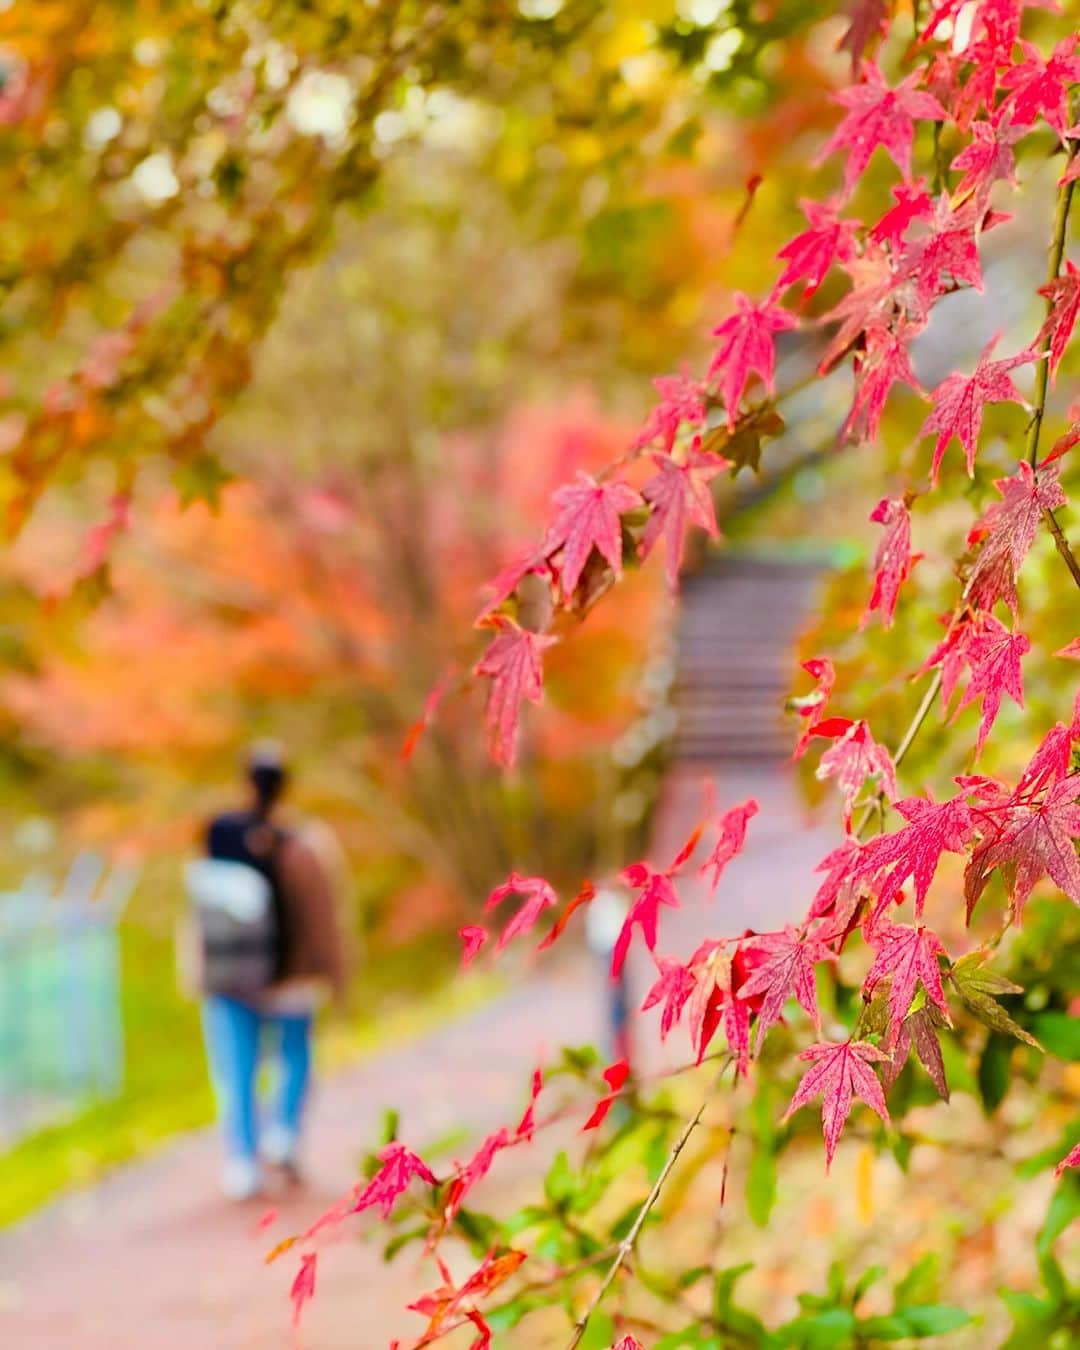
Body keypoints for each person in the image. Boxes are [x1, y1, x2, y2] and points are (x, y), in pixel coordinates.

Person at [194, 742, 348, 1200]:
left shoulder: (219, 840)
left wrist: (201, 975)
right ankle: (282, 1131)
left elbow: (199, 917)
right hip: (292, 981)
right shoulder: (304, 843)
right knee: (296, 1055)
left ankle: (243, 1159)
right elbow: (325, 920)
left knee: (237, 1068)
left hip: (231, 979)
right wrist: (337, 978)